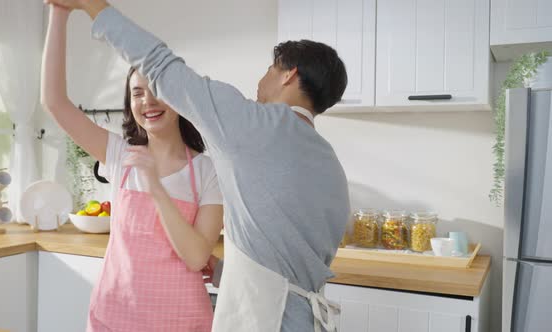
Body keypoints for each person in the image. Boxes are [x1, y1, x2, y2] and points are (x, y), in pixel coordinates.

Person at [45, 1, 351, 331]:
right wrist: (223, 272)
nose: (261, 81)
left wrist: (91, 6)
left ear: (289, 75)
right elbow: (290, 258)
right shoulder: (329, 162)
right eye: (137, 94)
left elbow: (159, 63)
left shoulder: (255, 125)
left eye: (270, 70)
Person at [41, 5, 224, 331]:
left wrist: (155, 186)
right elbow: (54, 101)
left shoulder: (207, 171)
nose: (148, 102)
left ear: (178, 98)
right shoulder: (118, 152)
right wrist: (59, 12)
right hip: (116, 313)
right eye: (137, 93)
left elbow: (196, 257)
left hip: (181, 320)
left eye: (157, 91)